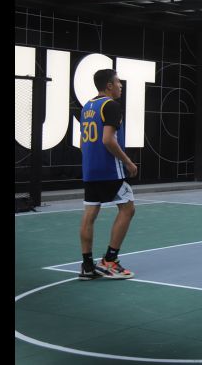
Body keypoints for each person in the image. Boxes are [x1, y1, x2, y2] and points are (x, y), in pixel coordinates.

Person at [78, 69, 138, 280]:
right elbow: (108, 140)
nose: (121, 86)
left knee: (90, 214)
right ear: (109, 86)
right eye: (118, 82)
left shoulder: (87, 107)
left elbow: (82, 142)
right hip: (108, 170)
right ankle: (110, 261)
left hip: (90, 169)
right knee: (128, 208)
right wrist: (128, 161)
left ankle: (87, 266)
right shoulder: (111, 106)